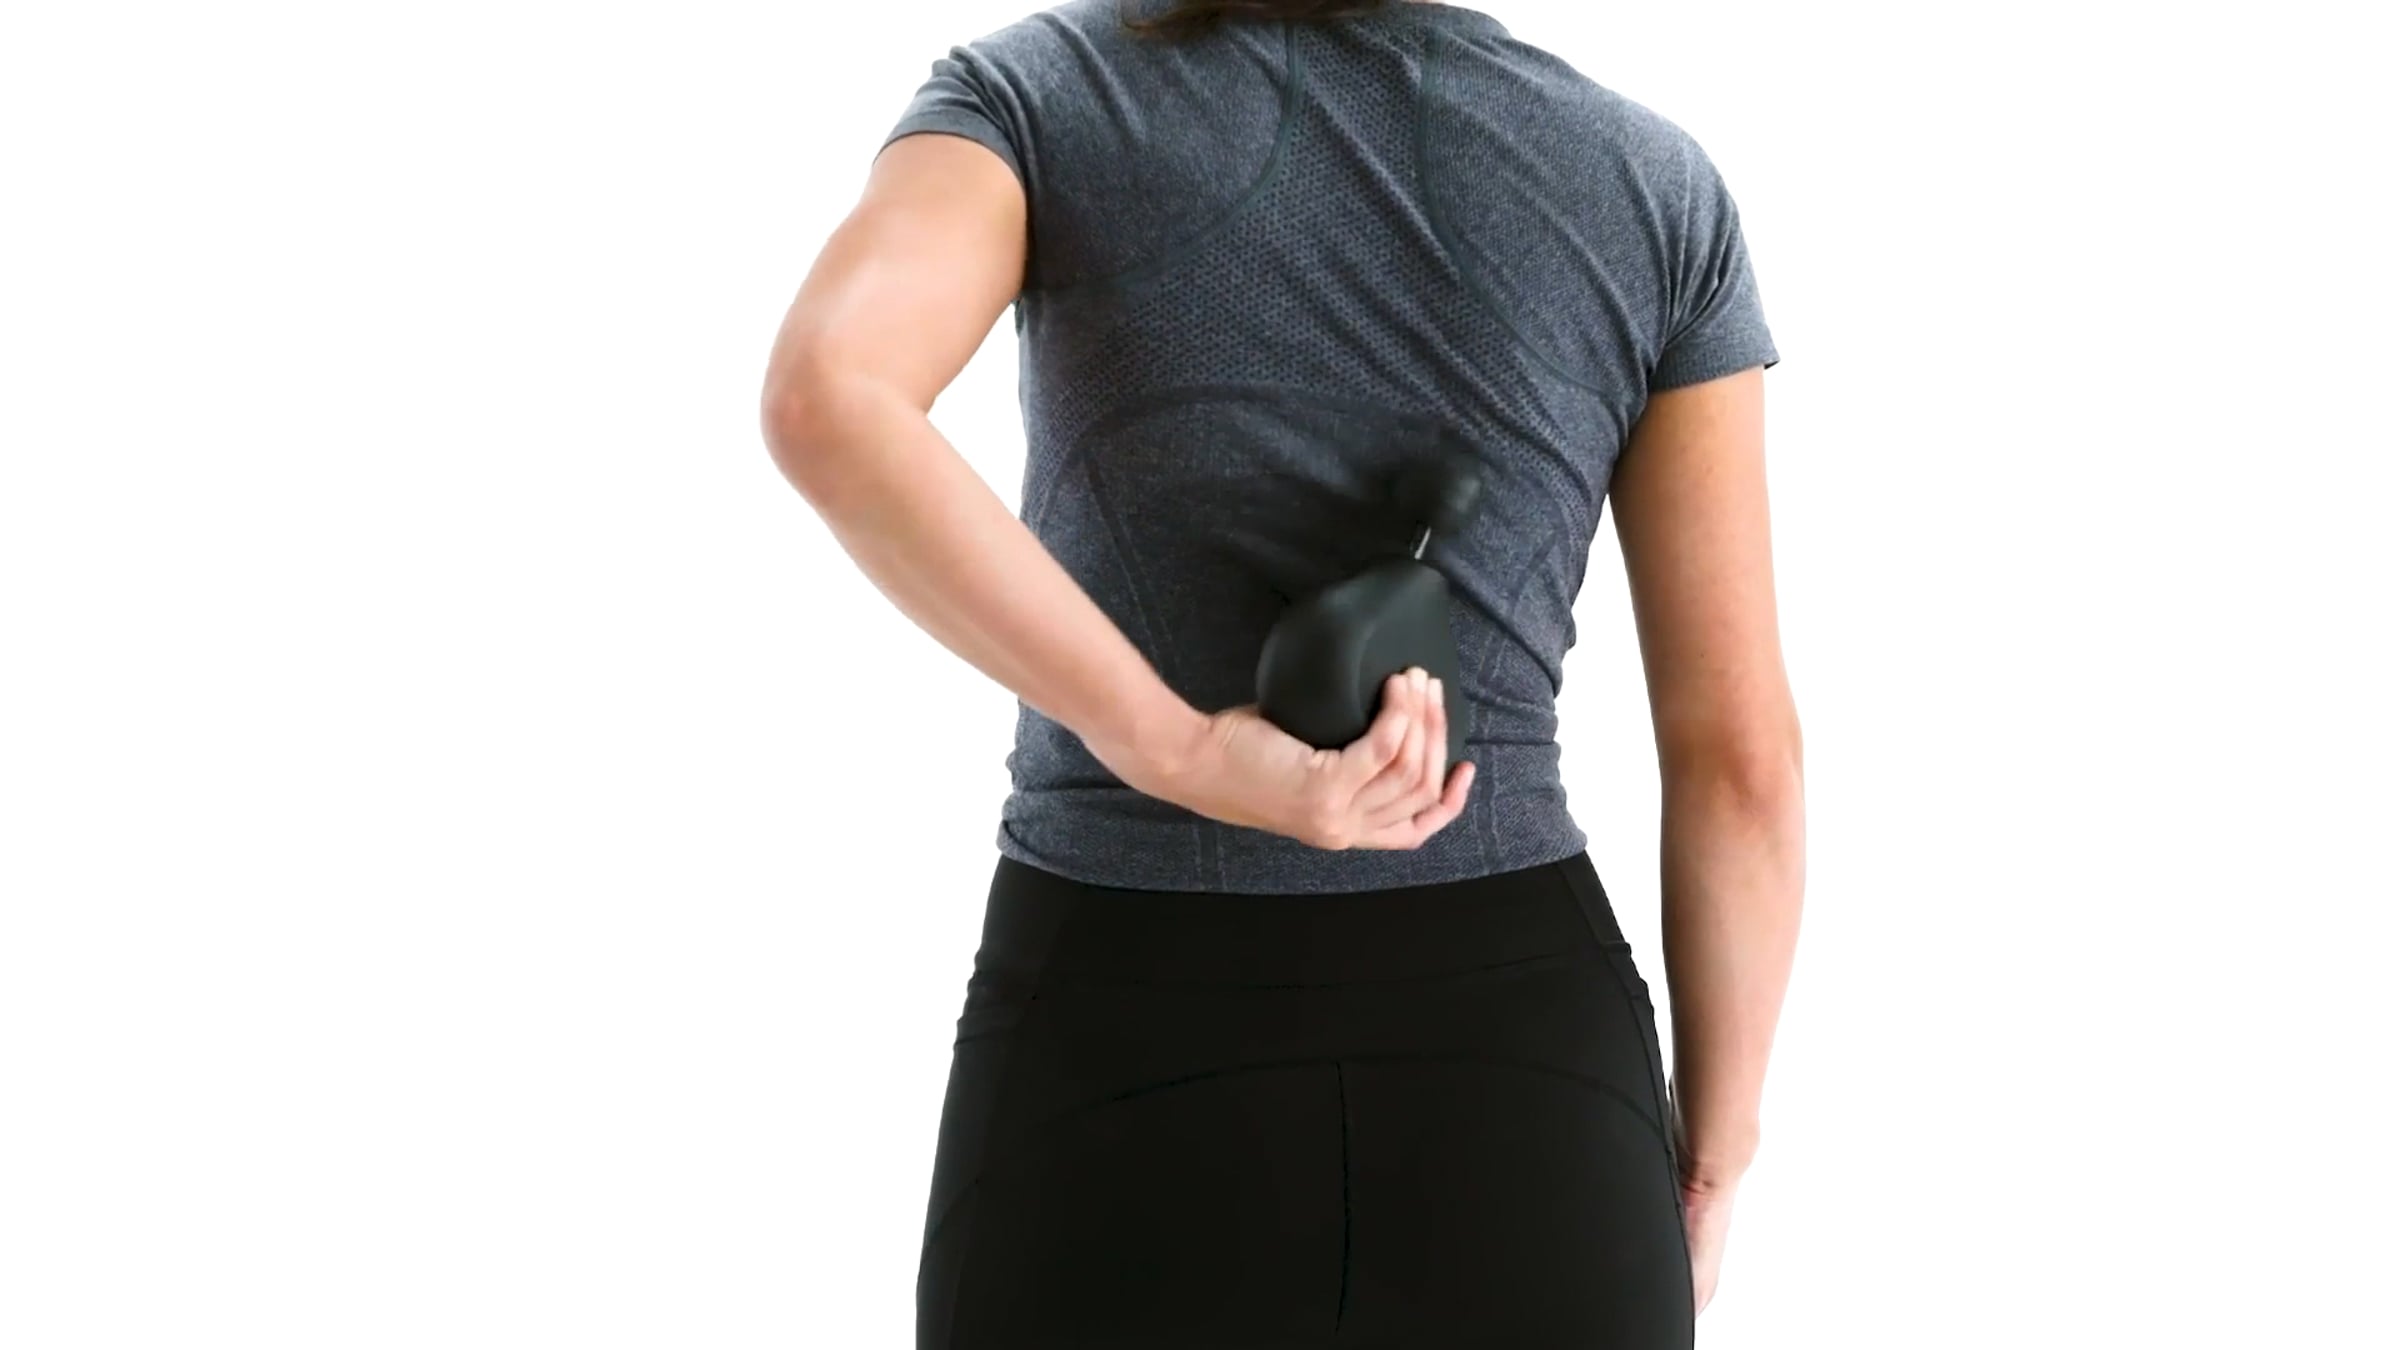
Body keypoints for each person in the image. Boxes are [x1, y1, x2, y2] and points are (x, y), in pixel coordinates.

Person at [759, 0, 1805, 1344]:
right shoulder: (1652, 184)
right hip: (1530, 1094)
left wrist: (1174, 747)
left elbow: (828, 393)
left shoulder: (1041, 99)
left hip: (1112, 1049)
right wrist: (1712, 1157)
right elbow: (1739, 764)